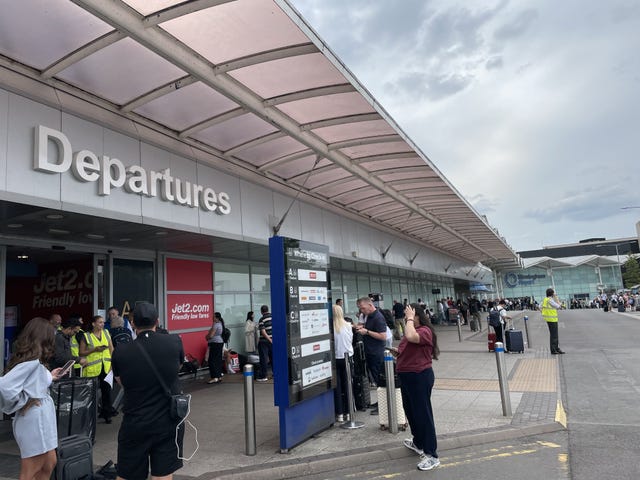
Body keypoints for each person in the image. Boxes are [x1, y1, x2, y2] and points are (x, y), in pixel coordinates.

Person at [111, 302, 185, 480]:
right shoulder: (174, 341)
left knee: (128, 474)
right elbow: (177, 368)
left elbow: (121, 382)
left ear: (133, 323)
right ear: (157, 321)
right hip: (168, 420)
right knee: (163, 474)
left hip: (135, 421)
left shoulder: (121, 351)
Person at [0, 317, 67, 480]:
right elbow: (4, 386)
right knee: (32, 469)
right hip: (35, 420)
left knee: (49, 462)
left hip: (41, 418)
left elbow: (31, 383)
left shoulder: (33, 361)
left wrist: (50, 377)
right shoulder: (31, 362)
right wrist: (25, 401)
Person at [396, 304, 440, 471]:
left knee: (423, 414)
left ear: (417, 316)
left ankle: (432, 455)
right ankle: (419, 443)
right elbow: (408, 344)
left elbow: (411, 336)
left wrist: (408, 318)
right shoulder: (413, 330)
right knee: (412, 413)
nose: (408, 318)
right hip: (407, 376)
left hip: (419, 376)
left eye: (410, 315)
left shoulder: (424, 331)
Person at [79, 315, 115, 423]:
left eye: (103, 322)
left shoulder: (106, 333)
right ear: (93, 324)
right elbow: (81, 352)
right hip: (93, 368)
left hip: (106, 367)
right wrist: (94, 350)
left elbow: (111, 349)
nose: (102, 324)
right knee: (91, 394)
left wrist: (113, 363)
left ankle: (107, 414)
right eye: (100, 322)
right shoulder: (86, 336)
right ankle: (90, 416)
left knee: (107, 392)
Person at [354, 296, 386, 413]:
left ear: (370, 305)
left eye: (362, 308)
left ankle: (383, 404)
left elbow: (383, 336)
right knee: (375, 378)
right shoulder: (368, 316)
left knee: (379, 378)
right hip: (370, 351)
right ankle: (380, 401)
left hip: (376, 352)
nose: (361, 311)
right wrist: (361, 327)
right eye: (360, 309)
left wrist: (366, 332)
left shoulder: (378, 317)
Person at [333, 304, 354, 423]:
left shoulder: (331, 327)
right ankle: (349, 412)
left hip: (336, 359)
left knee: (337, 387)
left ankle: (339, 413)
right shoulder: (348, 325)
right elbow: (350, 340)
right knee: (348, 385)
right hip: (347, 357)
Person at [542, 288, 565, 354]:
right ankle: (554, 349)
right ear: (552, 294)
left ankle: (556, 348)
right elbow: (558, 306)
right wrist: (556, 298)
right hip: (552, 319)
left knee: (554, 335)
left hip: (550, 319)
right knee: (554, 335)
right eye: (553, 293)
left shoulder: (545, 299)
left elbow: (540, 306)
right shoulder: (550, 300)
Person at [205, 313, 223, 384]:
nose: (212, 318)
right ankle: (219, 376)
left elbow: (211, 335)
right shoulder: (221, 324)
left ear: (217, 318)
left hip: (215, 344)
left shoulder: (215, 324)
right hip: (220, 343)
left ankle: (214, 377)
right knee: (218, 360)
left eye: (214, 317)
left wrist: (207, 337)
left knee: (212, 360)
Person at [257, 305, 273, 382]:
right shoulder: (273, 317)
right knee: (273, 358)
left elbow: (263, 332)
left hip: (264, 342)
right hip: (273, 341)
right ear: (268, 309)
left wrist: (269, 339)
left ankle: (263, 376)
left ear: (261, 311)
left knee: (263, 359)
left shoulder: (261, 319)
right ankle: (275, 373)